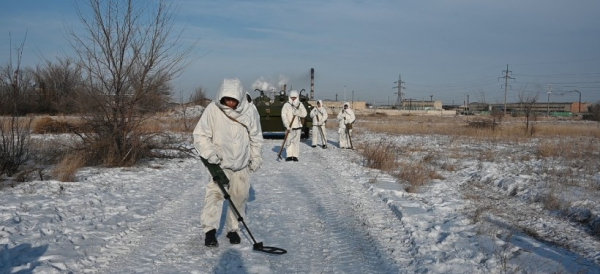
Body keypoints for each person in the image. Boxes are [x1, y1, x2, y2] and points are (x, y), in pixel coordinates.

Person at [193, 78, 263, 247]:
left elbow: (256, 137)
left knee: (239, 197)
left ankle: (233, 230)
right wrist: (210, 154)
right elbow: (200, 135)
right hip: (219, 165)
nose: (230, 103)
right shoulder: (213, 110)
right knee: (214, 197)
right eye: (227, 99)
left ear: (239, 97)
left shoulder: (249, 110)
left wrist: (256, 157)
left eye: (233, 99)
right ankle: (209, 231)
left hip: (241, 164)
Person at [281, 89, 307, 162]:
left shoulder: (300, 105)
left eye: (294, 98)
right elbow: (283, 116)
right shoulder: (286, 105)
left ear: (297, 97)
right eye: (292, 97)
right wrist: (287, 125)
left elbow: (304, 114)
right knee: (288, 141)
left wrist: (297, 112)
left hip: (298, 126)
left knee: (296, 141)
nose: (293, 99)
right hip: (289, 127)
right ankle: (289, 155)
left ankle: (295, 155)